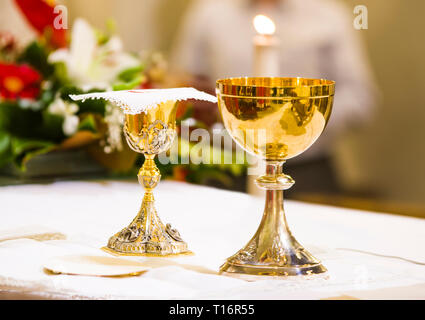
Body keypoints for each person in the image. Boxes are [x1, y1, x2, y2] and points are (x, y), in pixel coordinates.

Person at [171, 0, 378, 196]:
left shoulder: (327, 13)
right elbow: (186, 81)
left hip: (306, 171)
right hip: (229, 169)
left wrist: (295, 124)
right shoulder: (209, 11)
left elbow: (359, 97)